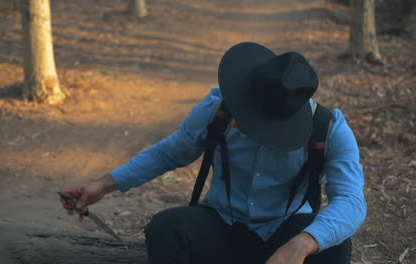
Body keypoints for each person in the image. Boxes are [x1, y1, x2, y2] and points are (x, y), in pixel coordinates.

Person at [60, 42, 367, 264]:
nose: (235, 120)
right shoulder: (217, 109)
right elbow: (170, 152)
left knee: (334, 249)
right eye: (241, 108)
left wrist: (303, 244)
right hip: (224, 225)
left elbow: (352, 201)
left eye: (250, 119)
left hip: (285, 234)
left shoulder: (328, 130)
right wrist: (104, 184)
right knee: (165, 229)